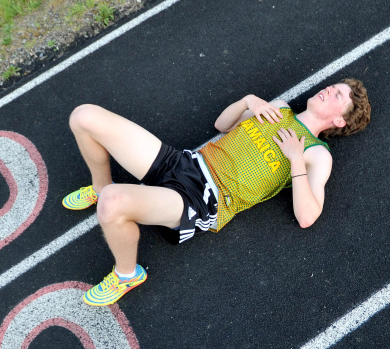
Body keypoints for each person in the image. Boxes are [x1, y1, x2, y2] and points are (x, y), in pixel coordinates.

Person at [62, 78, 371, 306]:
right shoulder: (279, 110)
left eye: (338, 95)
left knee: (113, 205)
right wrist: (249, 101)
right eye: (333, 86)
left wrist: (294, 159)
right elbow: (222, 124)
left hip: (202, 199)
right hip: (186, 163)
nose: (329, 89)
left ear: (339, 119)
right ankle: (99, 187)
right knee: (84, 116)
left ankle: (127, 274)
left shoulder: (317, 154)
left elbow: (307, 215)